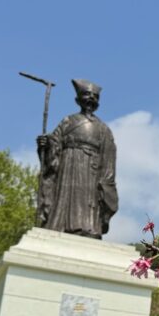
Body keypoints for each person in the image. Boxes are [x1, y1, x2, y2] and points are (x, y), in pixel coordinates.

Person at [36, 79, 118, 238]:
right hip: (68, 165)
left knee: (89, 201)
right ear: (78, 99)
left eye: (95, 96)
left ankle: (89, 228)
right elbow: (54, 146)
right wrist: (45, 145)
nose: (91, 99)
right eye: (87, 95)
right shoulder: (67, 122)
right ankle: (61, 225)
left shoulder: (103, 129)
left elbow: (108, 158)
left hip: (91, 170)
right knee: (65, 199)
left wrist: (106, 184)